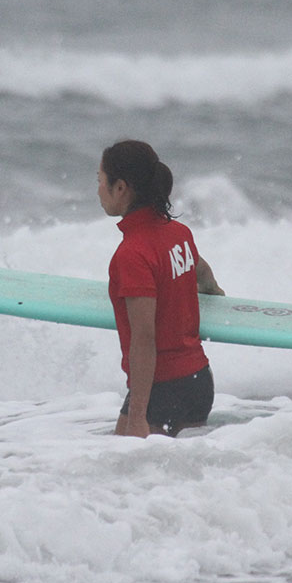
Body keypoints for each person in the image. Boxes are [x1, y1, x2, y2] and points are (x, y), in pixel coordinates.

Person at [98, 140, 224, 438]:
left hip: (162, 388)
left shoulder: (132, 253)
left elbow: (144, 337)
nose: (98, 190)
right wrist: (215, 293)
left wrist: (138, 416)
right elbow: (201, 272)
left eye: (100, 181)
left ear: (121, 188)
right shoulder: (178, 234)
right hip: (198, 382)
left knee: (128, 476)